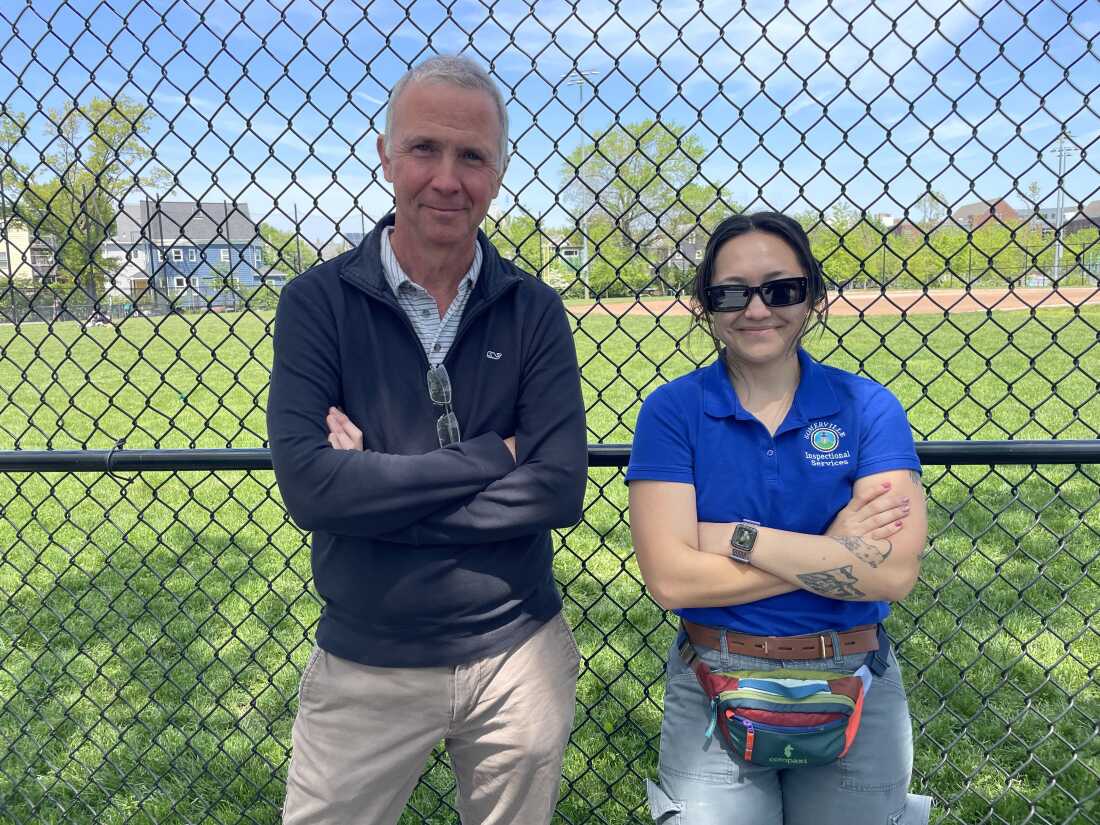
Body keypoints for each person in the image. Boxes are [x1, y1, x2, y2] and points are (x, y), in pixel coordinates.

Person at [267, 54, 587, 825]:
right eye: (425, 149)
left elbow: (559, 487)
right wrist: (492, 454)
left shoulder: (533, 309)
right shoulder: (317, 303)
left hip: (518, 653)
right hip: (366, 661)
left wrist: (375, 487)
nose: (447, 177)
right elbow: (312, 490)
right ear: (386, 156)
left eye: (472, 156)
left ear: (499, 172)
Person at [626, 212, 932, 825]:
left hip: (853, 676)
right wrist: (833, 548)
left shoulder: (866, 405)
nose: (757, 309)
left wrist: (739, 539)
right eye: (731, 292)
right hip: (713, 675)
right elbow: (670, 580)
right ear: (706, 306)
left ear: (812, 297)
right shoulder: (672, 411)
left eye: (781, 289)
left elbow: (893, 573)